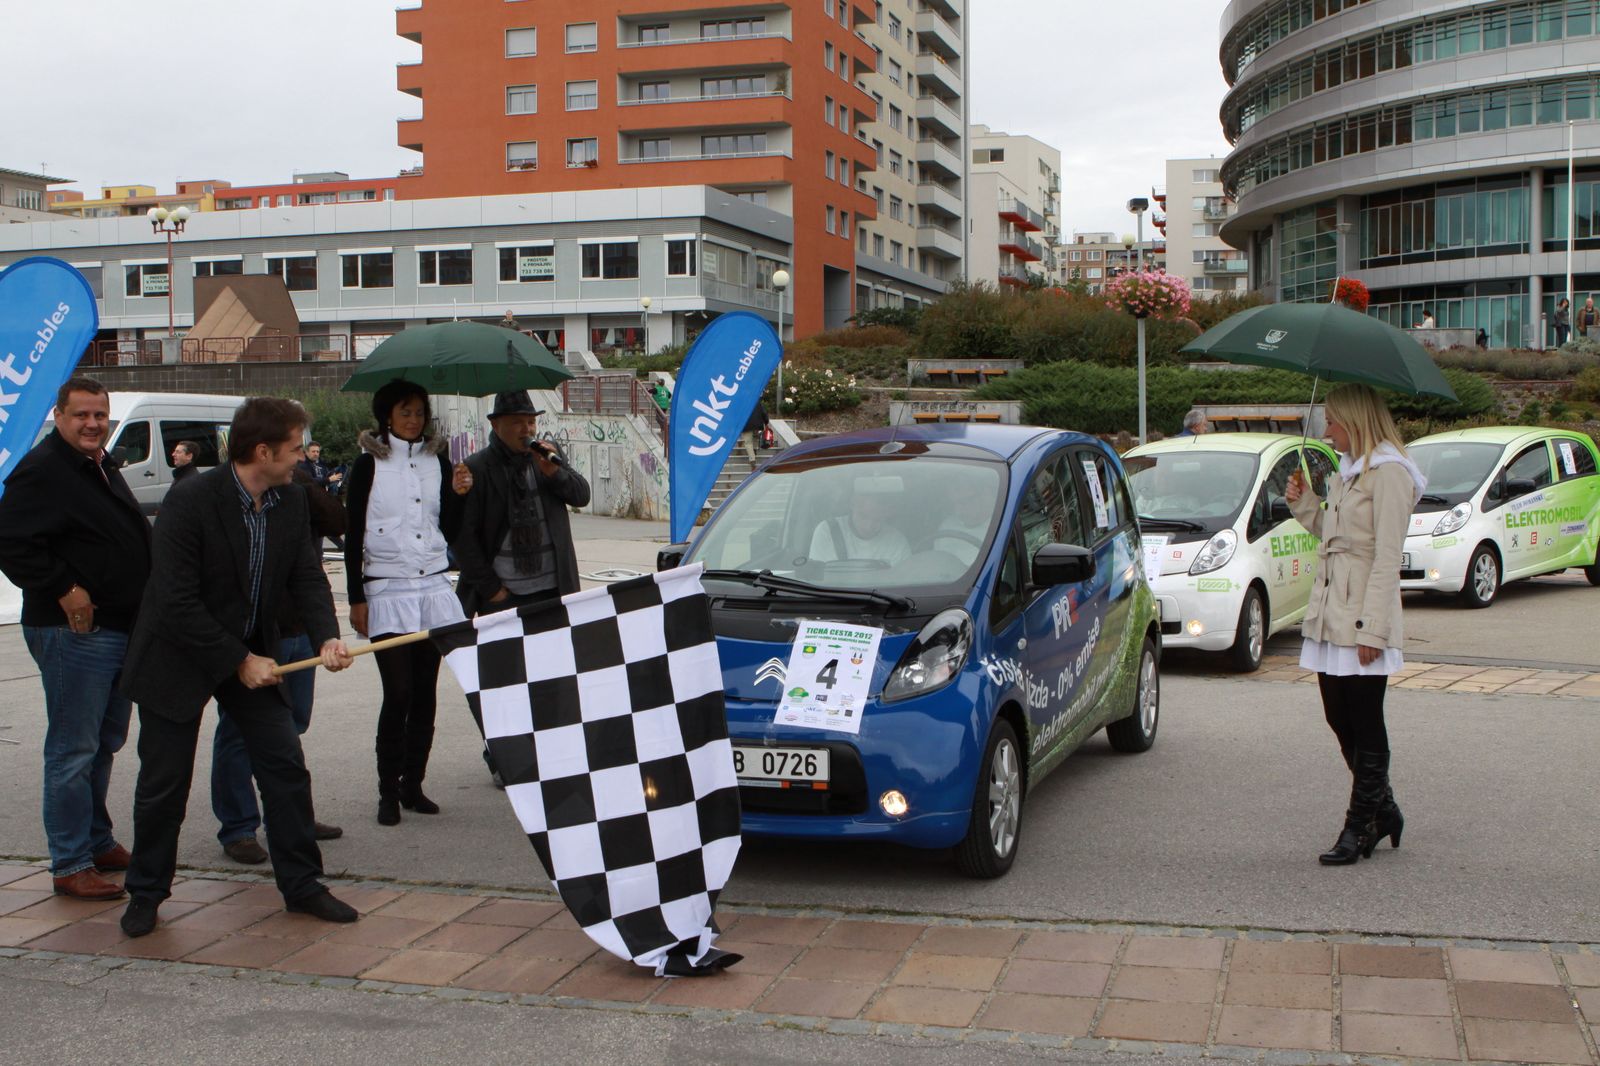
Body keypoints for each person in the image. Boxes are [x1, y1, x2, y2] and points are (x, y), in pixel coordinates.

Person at [117, 397, 358, 938]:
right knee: (164, 783)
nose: (302, 457)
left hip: (249, 651)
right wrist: (239, 659)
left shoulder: (290, 501)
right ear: (262, 451)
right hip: (178, 654)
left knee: (285, 766)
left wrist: (327, 635)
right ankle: (147, 893)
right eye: (295, 448)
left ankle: (302, 886)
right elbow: (175, 600)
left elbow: (306, 576)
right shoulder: (190, 499)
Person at [0, 377, 152, 900]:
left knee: (104, 743)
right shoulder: (41, 471)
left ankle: (95, 839)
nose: (92, 424)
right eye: (81, 415)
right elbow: (11, 542)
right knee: (73, 749)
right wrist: (63, 586)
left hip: (118, 628)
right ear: (59, 416)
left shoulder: (99, 463)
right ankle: (69, 863)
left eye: (100, 415)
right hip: (73, 633)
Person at [1286, 384, 1425, 867]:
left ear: (1356, 421)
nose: (1327, 430)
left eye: (1333, 421)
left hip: (1364, 615)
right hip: (1331, 612)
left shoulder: (1390, 474)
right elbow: (1335, 537)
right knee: (1338, 717)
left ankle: (1360, 822)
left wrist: (1374, 629)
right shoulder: (1347, 474)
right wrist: (1305, 506)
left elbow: (1388, 557)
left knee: (1366, 723)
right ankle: (1383, 809)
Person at [344, 380, 471, 826]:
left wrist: (458, 494)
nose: (414, 420)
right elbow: (352, 534)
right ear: (387, 418)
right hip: (387, 587)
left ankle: (412, 785)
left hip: (432, 587)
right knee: (397, 692)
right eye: (405, 413)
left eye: (419, 412)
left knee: (424, 694)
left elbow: (451, 529)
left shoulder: (440, 460)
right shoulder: (367, 465)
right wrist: (355, 595)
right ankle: (386, 791)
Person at [210, 461, 348, 862]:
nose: (297, 455)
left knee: (291, 726)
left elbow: (337, 520)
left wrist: (302, 481)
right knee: (239, 732)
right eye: (290, 448)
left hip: (299, 628)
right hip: (255, 635)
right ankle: (238, 827)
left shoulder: (294, 489)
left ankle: (289, 818)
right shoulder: (232, 494)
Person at [453, 390, 591, 615]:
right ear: (496, 426)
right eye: (517, 422)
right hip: (504, 596)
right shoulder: (477, 468)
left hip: (554, 591)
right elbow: (463, 537)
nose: (527, 429)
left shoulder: (546, 456)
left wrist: (555, 473)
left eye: (531, 421)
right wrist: (491, 589)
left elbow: (581, 496)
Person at [808, 480, 911, 565]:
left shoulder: (897, 542)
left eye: (878, 519)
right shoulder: (827, 531)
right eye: (863, 516)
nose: (868, 526)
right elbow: (816, 578)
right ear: (852, 505)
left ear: (886, 515)